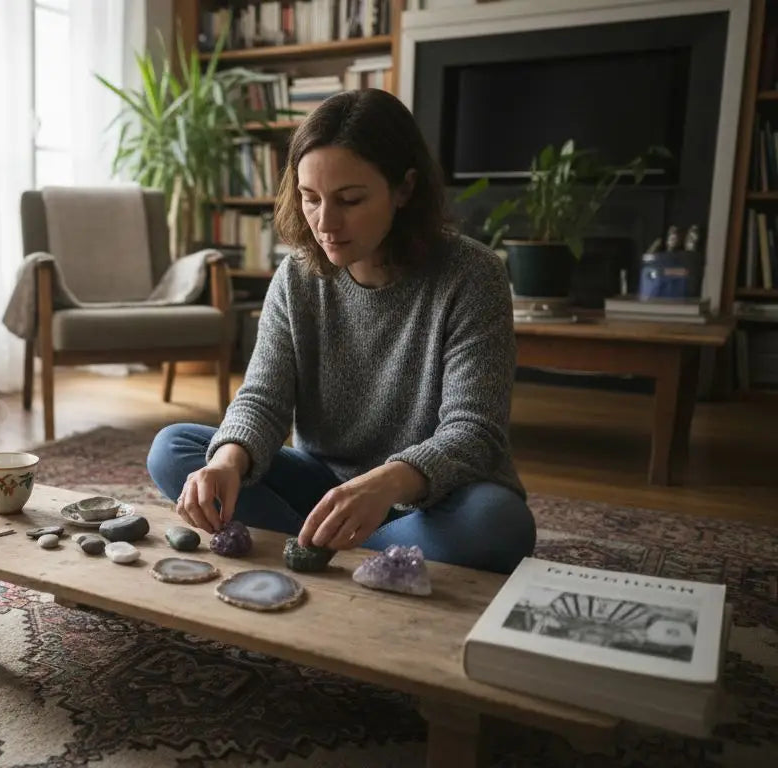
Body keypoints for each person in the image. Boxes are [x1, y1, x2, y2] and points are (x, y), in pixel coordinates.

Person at [145, 89, 535, 575]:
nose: (324, 223)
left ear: (404, 189)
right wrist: (227, 461)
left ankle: (315, 549)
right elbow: (262, 397)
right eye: (310, 198)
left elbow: (474, 432)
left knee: (498, 524)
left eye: (349, 200)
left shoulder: (472, 274)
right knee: (175, 449)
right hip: (325, 489)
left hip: (431, 498)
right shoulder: (296, 277)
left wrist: (389, 482)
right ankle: (372, 557)